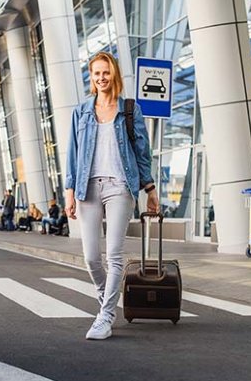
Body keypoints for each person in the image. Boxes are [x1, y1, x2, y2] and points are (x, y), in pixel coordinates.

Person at [64, 51, 159, 340]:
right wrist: (69, 193)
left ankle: (105, 315)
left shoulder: (130, 109)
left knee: (114, 255)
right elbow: (72, 154)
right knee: (91, 256)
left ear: (114, 74)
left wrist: (150, 190)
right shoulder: (81, 112)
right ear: (91, 77)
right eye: (96, 73)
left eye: (106, 72)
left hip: (120, 186)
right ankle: (107, 298)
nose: (102, 78)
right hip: (87, 188)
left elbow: (143, 153)